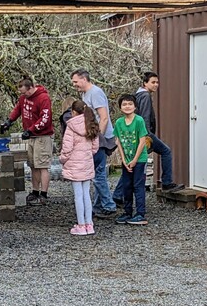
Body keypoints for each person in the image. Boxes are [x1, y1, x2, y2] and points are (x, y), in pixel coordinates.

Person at [113, 71, 182, 205]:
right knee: (166, 151)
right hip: (144, 135)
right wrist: (146, 136)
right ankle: (167, 182)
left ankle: (117, 195)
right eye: (153, 82)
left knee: (132, 165)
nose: (156, 85)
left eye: (157, 82)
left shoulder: (138, 95)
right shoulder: (144, 96)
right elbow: (144, 117)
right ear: (145, 83)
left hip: (136, 135)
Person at [70, 69, 117, 219]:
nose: (74, 85)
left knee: (98, 174)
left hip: (100, 137)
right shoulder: (84, 94)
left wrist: (98, 138)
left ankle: (109, 205)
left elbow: (103, 117)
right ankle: (98, 206)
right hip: (94, 136)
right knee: (97, 172)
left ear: (84, 79)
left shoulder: (95, 93)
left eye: (76, 82)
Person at [0, 77, 54, 205]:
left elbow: (45, 119)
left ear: (31, 88)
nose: (24, 95)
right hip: (31, 136)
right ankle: (35, 191)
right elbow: (18, 109)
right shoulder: (24, 98)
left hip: (42, 136)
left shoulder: (43, 98)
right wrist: (9, 121)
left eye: (25, 92)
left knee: (42, 165)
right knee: (33, 164)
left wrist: (31, 129)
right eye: (21, 93)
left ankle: (44, 194)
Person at [59, 100, 100, 235]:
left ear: (73, 112)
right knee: (87, 194)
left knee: (78, 196)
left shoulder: (71, 126)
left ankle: (81, 225)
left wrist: (62, 160)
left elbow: (67, 148)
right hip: (87, 163)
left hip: (74, 164)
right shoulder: (92, 124)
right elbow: (95, 147)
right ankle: (89, 224)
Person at [113, 94, 149, 225]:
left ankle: (140, 214)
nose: (127, 107)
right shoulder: (119, 122)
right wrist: (123, 159)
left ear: (135, 106)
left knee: (138, 186)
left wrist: (134, 160)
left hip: (139, 159)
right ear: (120, 107)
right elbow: (119, 142)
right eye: (124, 104)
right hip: (126, 160)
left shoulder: (139, 121)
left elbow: (142, 141)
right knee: (126, 187)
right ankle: (127, 212)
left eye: (130, 104)